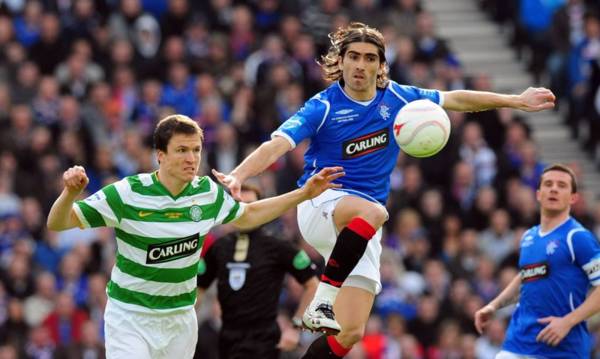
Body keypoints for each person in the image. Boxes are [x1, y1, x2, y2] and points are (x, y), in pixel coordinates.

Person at [213, 22, 556, 358]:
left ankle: (326, 303)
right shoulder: (324, 105)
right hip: (321, 203)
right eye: (354, 56)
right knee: (375, 212)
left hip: (360, 230)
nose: (361, 65)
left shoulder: (397, 97)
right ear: (341, 60)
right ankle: (323, 297)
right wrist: (238, 175)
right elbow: (277, 145)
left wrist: (515, 100)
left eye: (370, 58)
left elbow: (454, 99)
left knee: (349, 333)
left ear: (380, 65)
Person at [46, 114, 344, 359]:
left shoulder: (206, 193)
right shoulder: (128, 193)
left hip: (180, 319)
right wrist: (70, 193)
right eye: (182, 150)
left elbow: (249, 215)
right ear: (160, 155)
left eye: (196, 150)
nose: (192, 158)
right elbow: (58, 223)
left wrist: (304, 193)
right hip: (131, 317)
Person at [475, 164, 600, 358]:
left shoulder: (577, 237)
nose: (554, 189)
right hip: (518, 343)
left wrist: (567, 322)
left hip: (561, 349)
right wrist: (494, 305)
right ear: (538, 194)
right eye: (548, 184)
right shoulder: (528, 237)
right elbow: (526, 276)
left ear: (573, 198)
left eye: (562, 185)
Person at [196, 183, 319, 359]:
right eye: (239, 206)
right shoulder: (219, 247)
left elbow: (313, 285)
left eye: (251, 206)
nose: (245, 213)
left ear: (261, 209)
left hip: (265, 342)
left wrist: (295, 327)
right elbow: (198, 291)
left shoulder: (279, 246)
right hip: (227, 341)